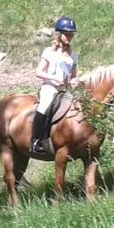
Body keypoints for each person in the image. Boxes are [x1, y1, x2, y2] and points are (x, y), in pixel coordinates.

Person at [31, 16, 80, 154]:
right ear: (58, 34)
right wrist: (54, 78)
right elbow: (38, 72)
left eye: (71, 35)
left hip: (66, 89)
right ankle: (35, 140)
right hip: (50, 87)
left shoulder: (73, 55)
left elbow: (74, 75)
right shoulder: (49, 52)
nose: (69, 37)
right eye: (67, 34)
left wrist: (75, 81)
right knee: (46, 104)